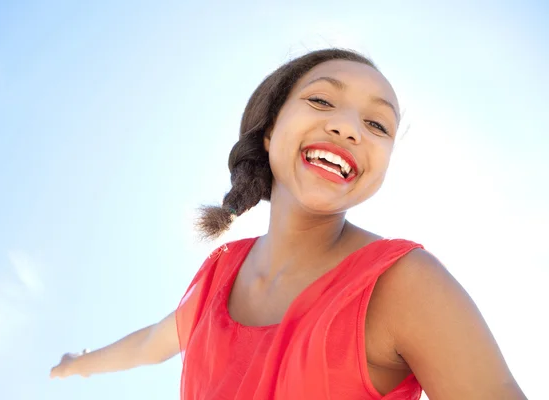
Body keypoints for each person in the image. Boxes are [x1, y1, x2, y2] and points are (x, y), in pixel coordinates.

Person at [50, 49, 526, 399]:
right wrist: (80, 366)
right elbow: (153, 343)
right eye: (321, 101)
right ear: (271, 128)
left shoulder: (403, 283)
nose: (349, 128)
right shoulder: (218, 275)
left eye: (378, 125)